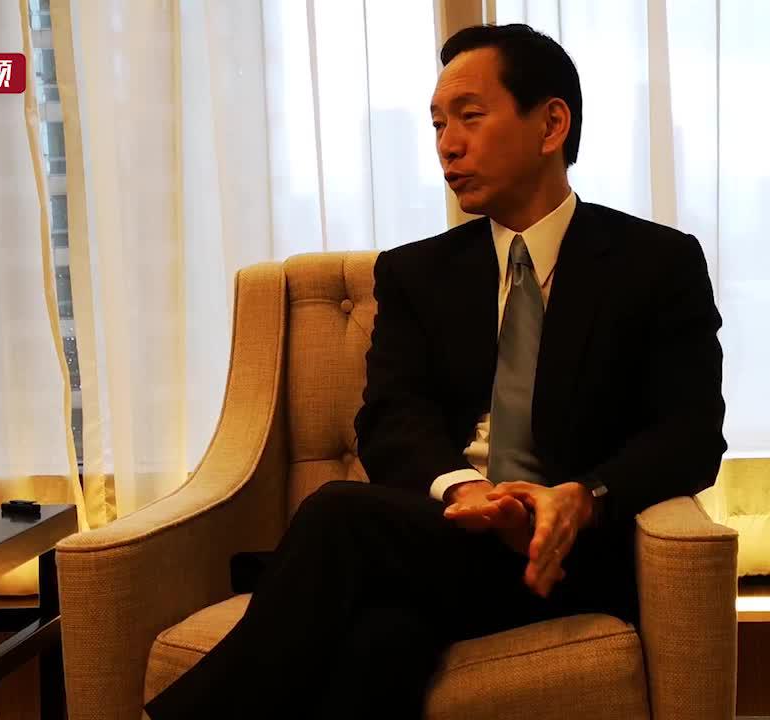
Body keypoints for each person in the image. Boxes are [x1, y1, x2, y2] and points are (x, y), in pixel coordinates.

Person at [144, 23, 726, 719]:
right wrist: (463, 491)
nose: (448, 144)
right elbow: (391, 417)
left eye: (470, 117)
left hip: (565, 554)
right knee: (379, 645)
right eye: (438, 124)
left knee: (336, 514)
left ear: (551, 124)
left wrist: (584, 497)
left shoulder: (655, 264)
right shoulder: (418, 273)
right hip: (447, 535)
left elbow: (691, 435)